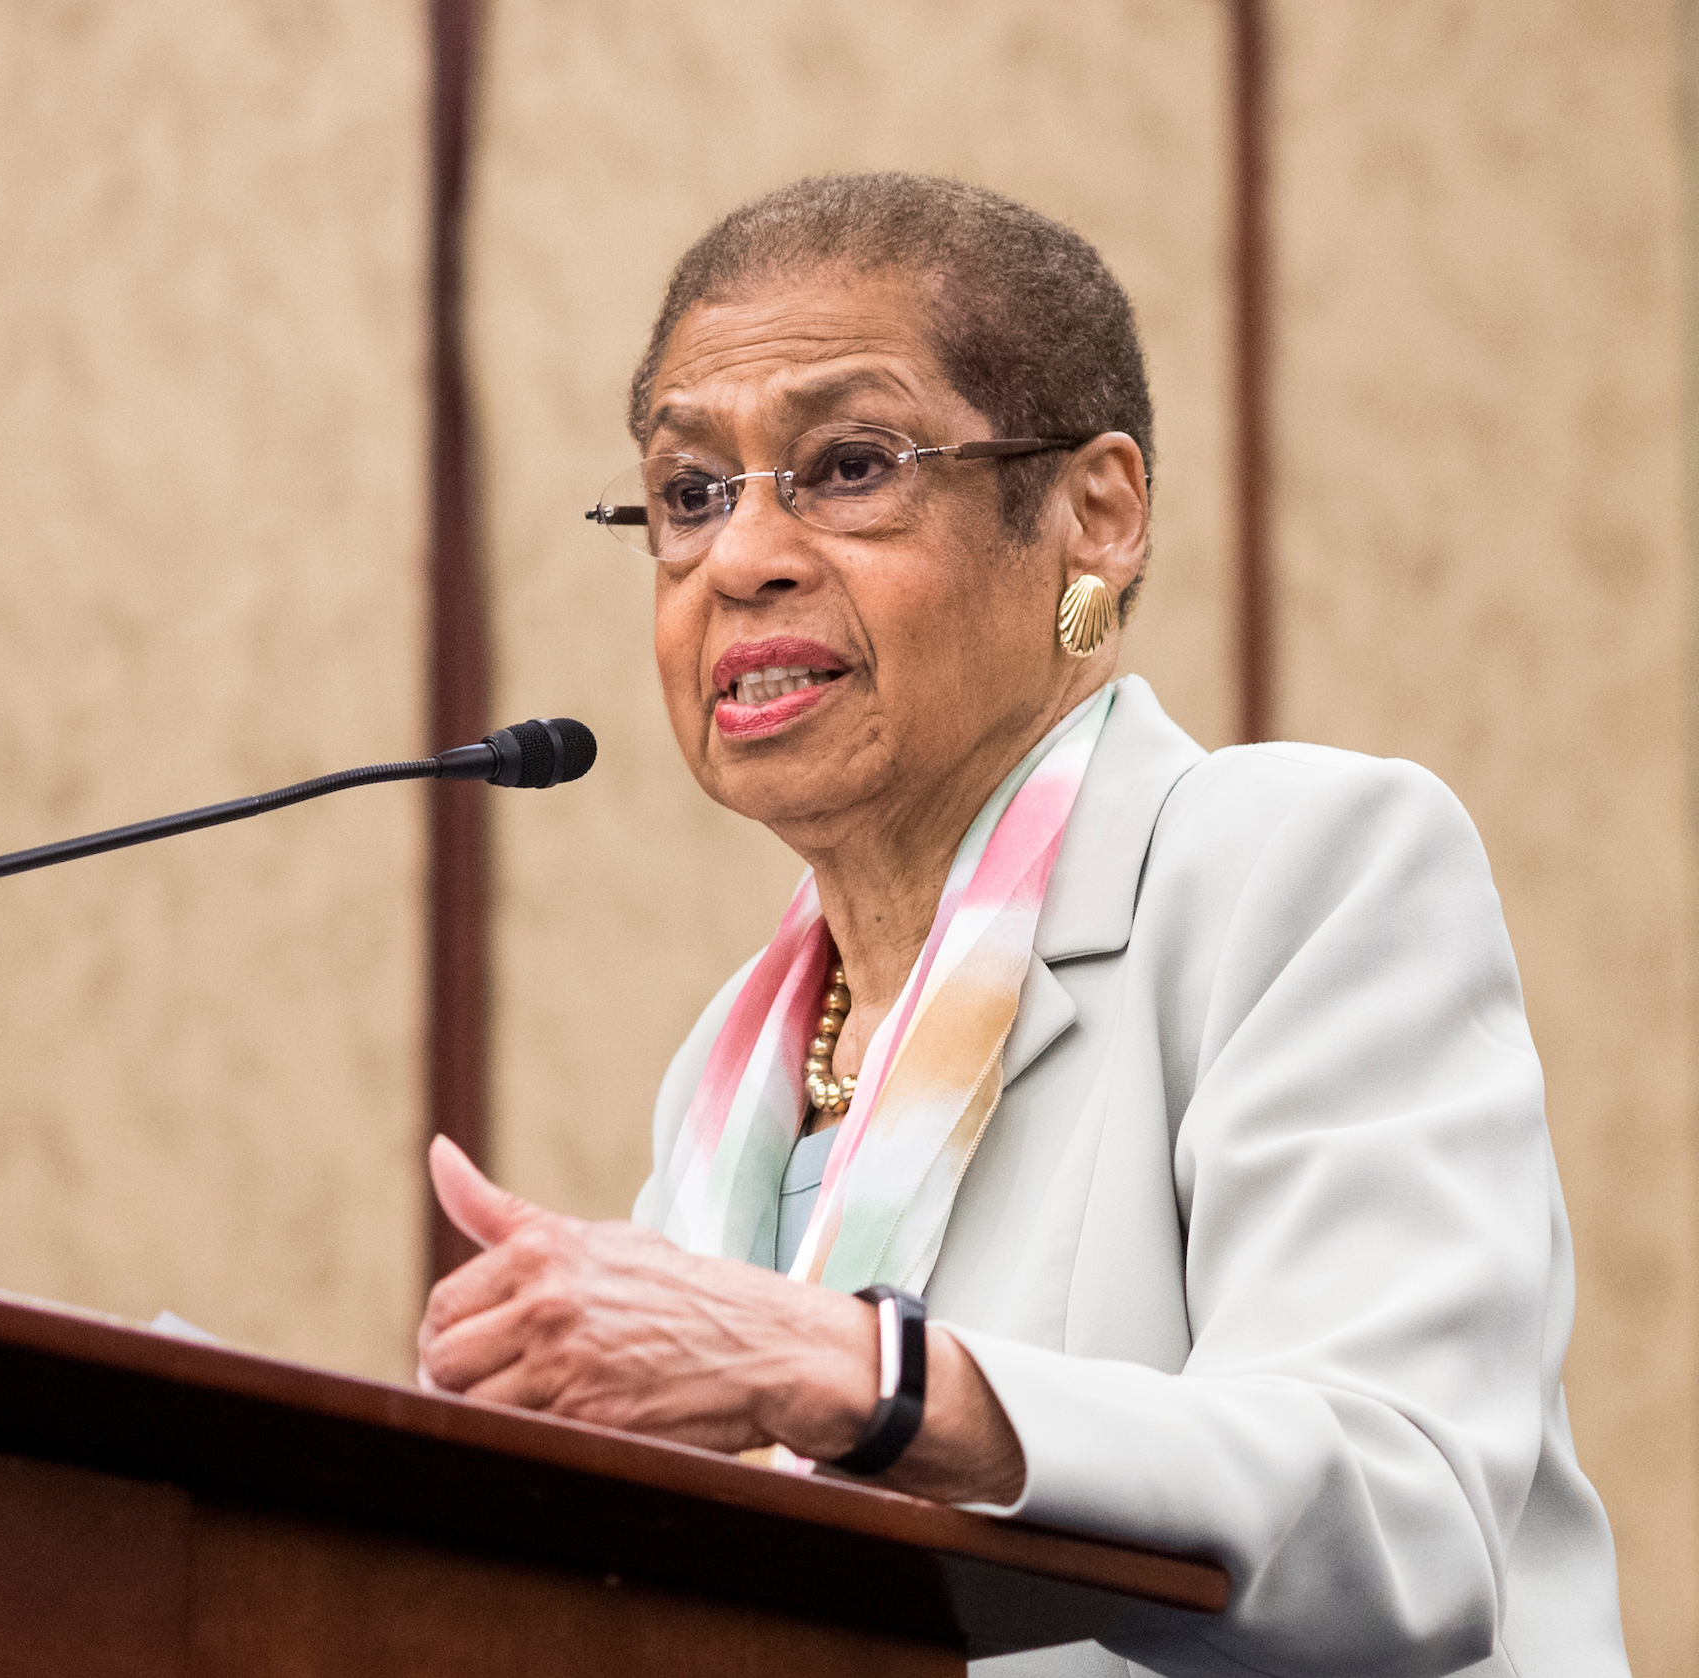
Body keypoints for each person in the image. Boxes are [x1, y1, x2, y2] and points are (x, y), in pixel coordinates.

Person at [415, 174, 1628, 1678]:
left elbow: (1405, 1516)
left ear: (1095, 514)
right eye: (689, 493)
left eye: (848, 466)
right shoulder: (730, 1079)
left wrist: (868, 1375)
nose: (741, 558)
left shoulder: (1298, 869)